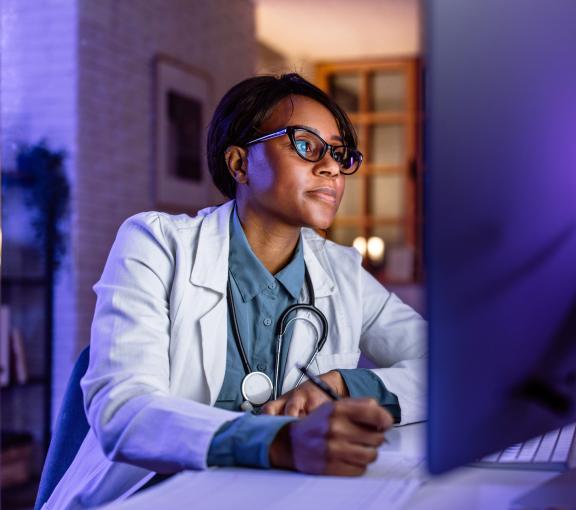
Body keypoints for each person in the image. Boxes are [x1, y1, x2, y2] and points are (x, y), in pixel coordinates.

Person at [46, 74, 427, 509]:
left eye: (340, 154)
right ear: (240, 164)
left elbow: (444, 368)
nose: (331, 168)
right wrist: (278, 441)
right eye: (306, 145)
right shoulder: (155, 244)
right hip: (148, 495)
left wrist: (340, 385)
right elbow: (123, 410)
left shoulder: (341, 272)